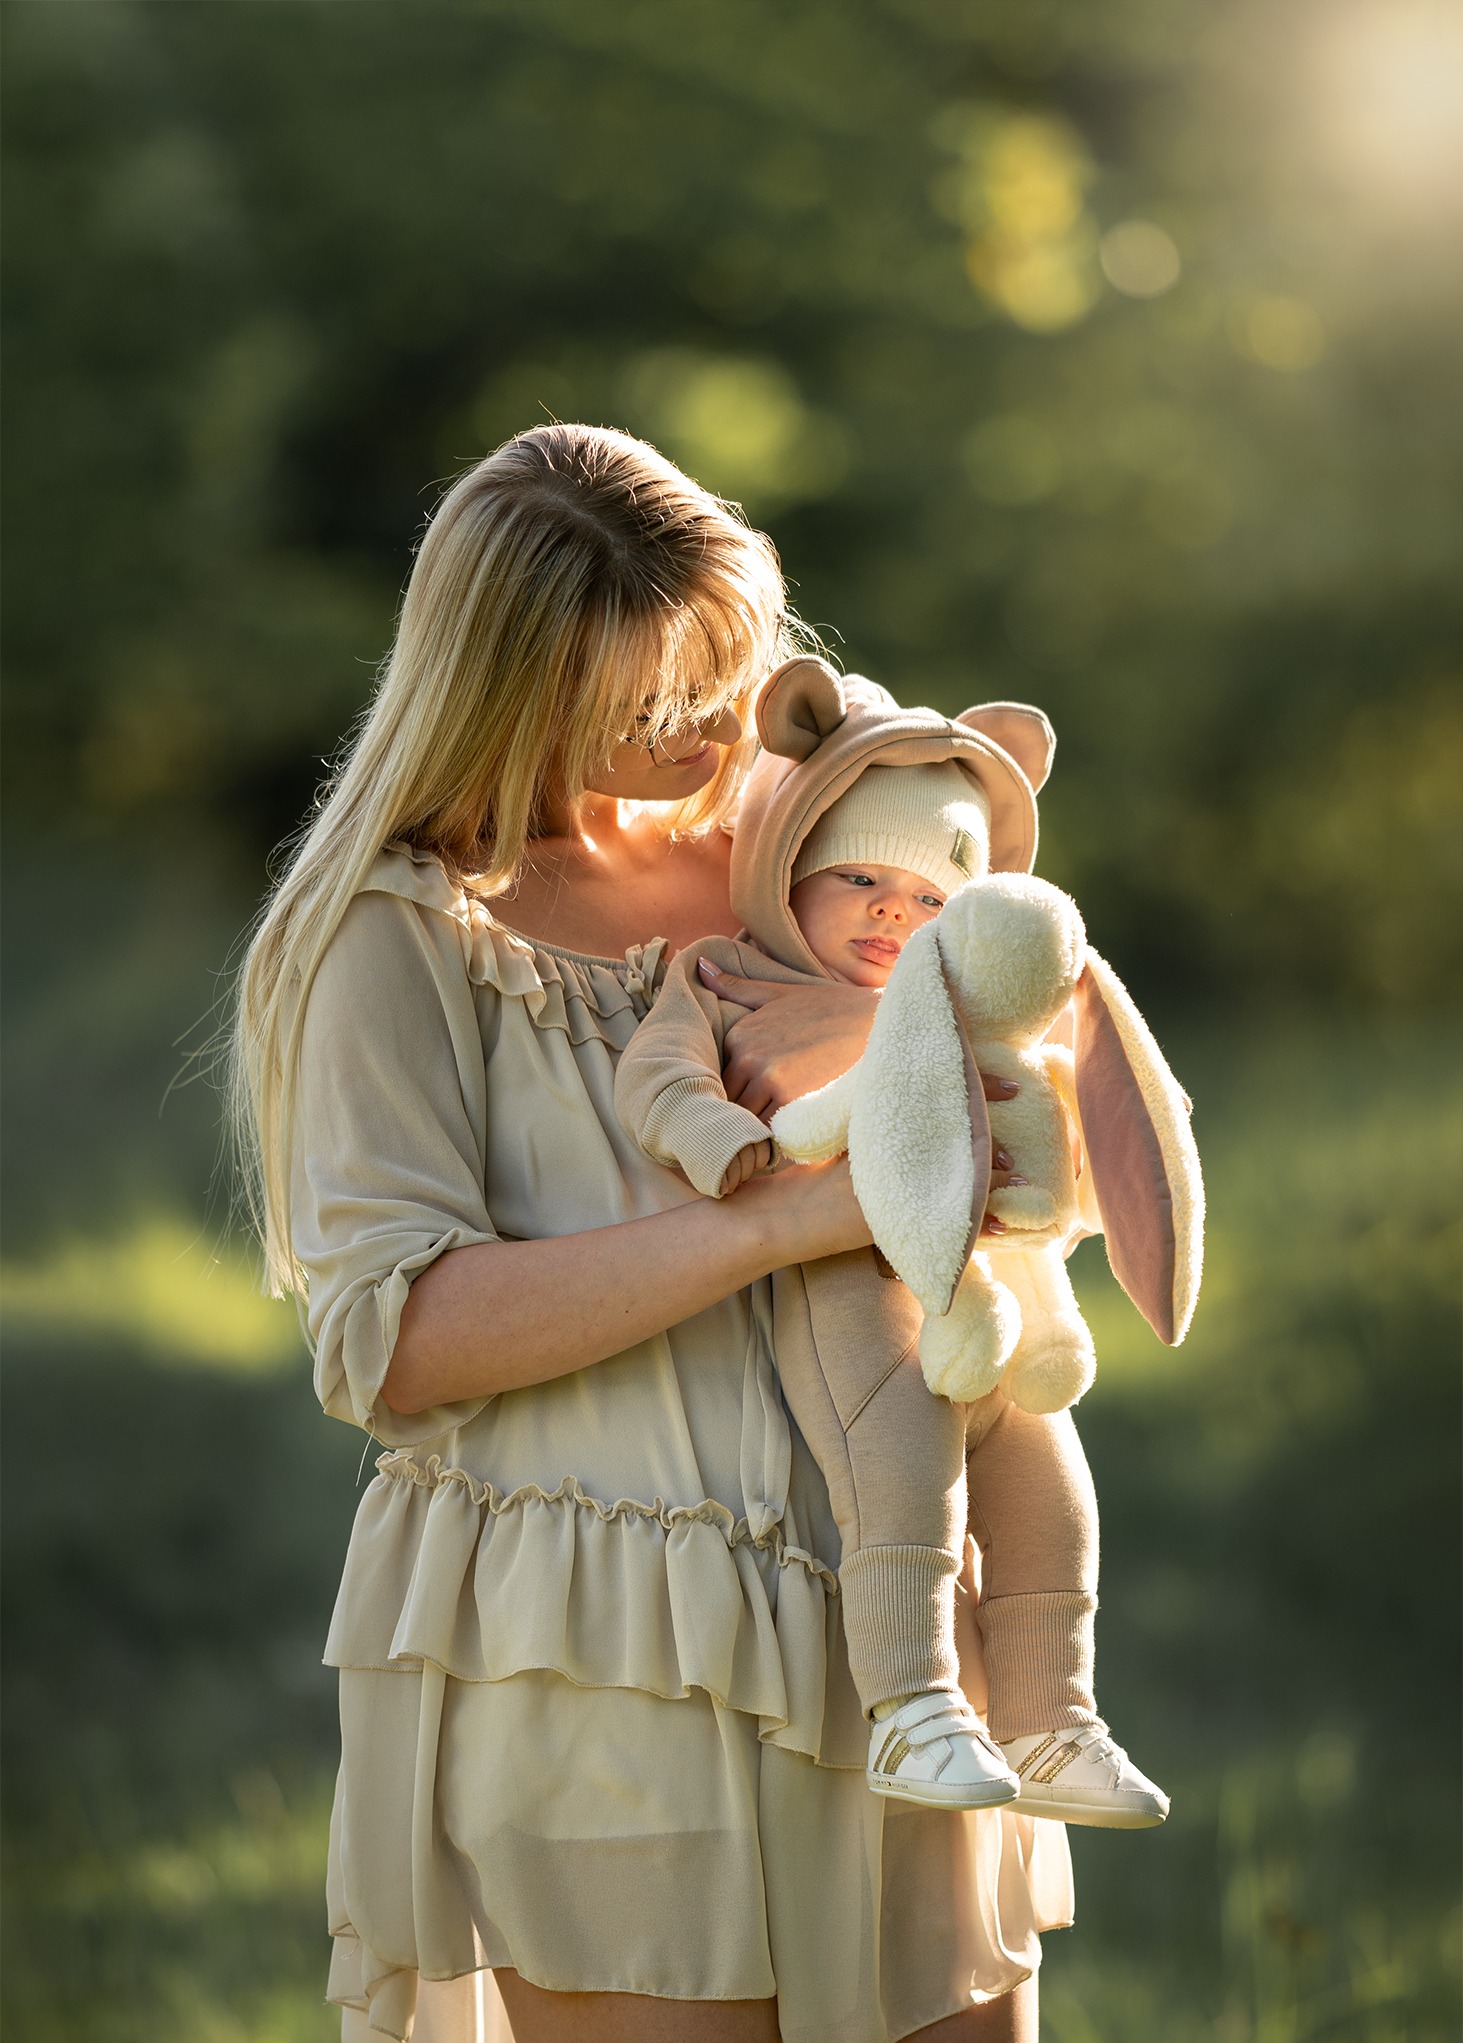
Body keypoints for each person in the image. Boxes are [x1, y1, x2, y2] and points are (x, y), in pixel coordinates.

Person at [231, 423, 1072, 2043]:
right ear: (508, 696)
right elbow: (395, 1337)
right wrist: (784, 1222)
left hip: (889, 1594)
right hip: (603, 1637)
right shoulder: (401, 935)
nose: (707, 730)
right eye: (644, 706)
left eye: (724, 674)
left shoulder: (816, 851)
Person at [615, 662, 1168, 1826]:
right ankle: (911, 1709)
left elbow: (1056, 1103)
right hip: (838, 1277)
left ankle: (1052, 1717)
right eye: (858, 876)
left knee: (1049, 1482)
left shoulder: (966, 1007)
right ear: (785, 865)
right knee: (899, 1456)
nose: (890, 914)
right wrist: (721, 1141)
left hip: (990, 1280)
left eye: (928, 901)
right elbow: (657, 1072)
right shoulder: (724, 975)